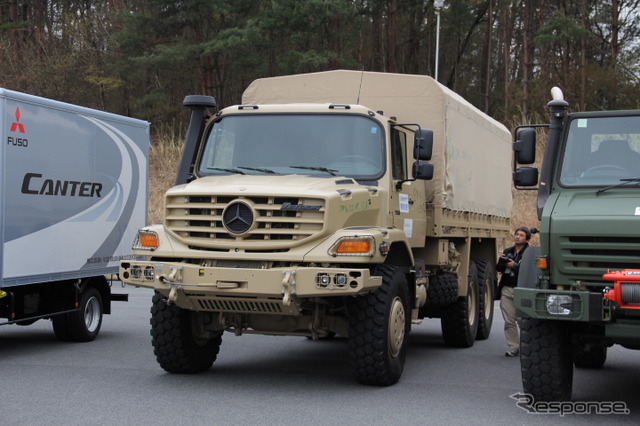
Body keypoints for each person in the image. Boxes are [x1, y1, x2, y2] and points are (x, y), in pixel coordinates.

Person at [496, 226, 531, 357]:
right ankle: (514, 347)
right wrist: (503, 262)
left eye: (521, 235)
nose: (518, 237)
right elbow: (498, 268)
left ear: (527, 238)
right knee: (509, 320)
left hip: (521, 288)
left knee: (522, 320)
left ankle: (527, 345)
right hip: (506, 288)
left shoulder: (529, 252)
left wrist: (515, 266)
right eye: (517, 234)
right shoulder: (508, 250)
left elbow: (529, 270)